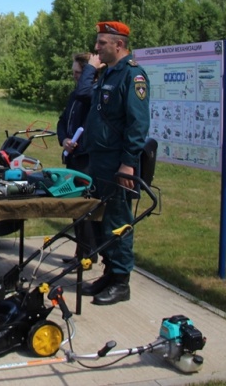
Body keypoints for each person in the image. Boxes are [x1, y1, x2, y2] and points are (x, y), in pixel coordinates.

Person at [80, 21, 150, 306]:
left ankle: (121, 282)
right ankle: (109, 274)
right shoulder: (107, 73)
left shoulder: (132, 76)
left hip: (116, 163)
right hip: (98, 160)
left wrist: (128, 164)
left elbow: (137, 123)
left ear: (118, 45)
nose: (96, 48)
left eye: (102, 43)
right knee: (101, 220)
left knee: (118, 220)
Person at [57, 51, 100, 266]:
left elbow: (85, 92)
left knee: (84, 208)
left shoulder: (93, 92)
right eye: (73, 72)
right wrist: (64, 139)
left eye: (77, 73)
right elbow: (63, 120)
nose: (74, 76)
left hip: (87, 160)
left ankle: (87, 254)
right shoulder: (76, 94)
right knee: (75, 209)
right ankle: (81, 252)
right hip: (72, 157)